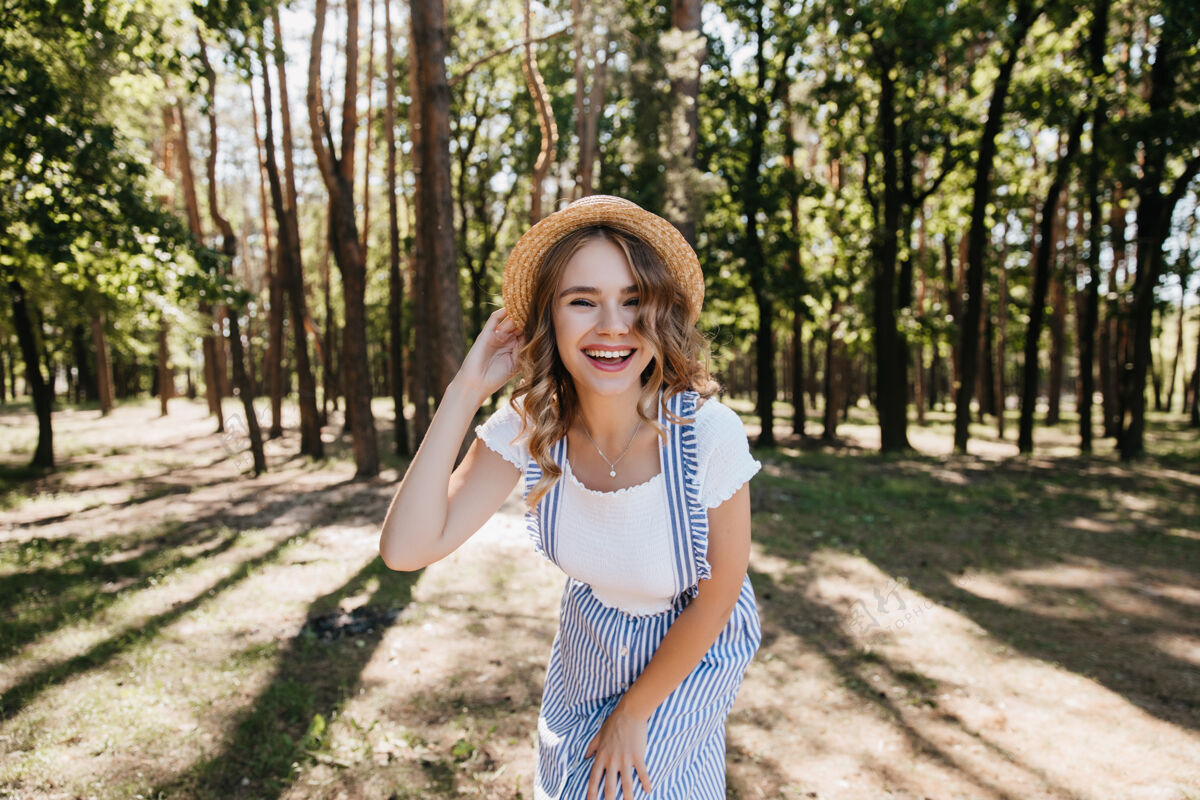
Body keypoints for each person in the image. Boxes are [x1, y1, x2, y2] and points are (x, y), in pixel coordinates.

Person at [380, 195, 763, 800]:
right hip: (589, 644)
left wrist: (634, 713)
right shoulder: (532, 427)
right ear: (549, 319)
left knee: (617, 790)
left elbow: (717, 602)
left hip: (694, 641)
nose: (613, 325)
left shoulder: (707, 435)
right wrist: (466, 388)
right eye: (583, 301)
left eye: (634, 300)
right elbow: (406, 548)